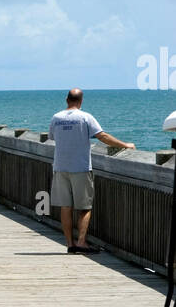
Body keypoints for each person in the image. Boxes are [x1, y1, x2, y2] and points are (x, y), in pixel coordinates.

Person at [49, 89, 135, 254]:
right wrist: (125, 145)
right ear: (80, 101)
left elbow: (52, 137)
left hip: (60, 168)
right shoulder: (85, 117)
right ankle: (81, 242)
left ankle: (70, 244)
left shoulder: (56, 117)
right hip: (80, 168)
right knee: (85, 207)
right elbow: (102, 136)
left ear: (67, 100)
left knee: (65, 207)